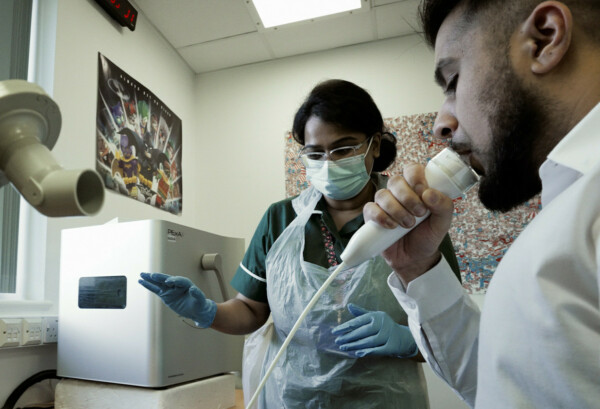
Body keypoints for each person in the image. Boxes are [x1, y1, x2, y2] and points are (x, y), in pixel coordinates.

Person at [139, 79, 462, 408]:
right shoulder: (280, 219)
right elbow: (251, 310)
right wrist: (207, 311)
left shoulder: (414, 217)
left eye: (344, 148)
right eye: (315, 152)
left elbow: (450, 332)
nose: (329, 162)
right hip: (292, 398)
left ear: (374, 145)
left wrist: (406, 340)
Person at [363, 1, 600, 408]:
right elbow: (502, 381)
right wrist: (416, 267)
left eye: (453, 80)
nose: (442, 123)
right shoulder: (570, 207)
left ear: (544, 37)